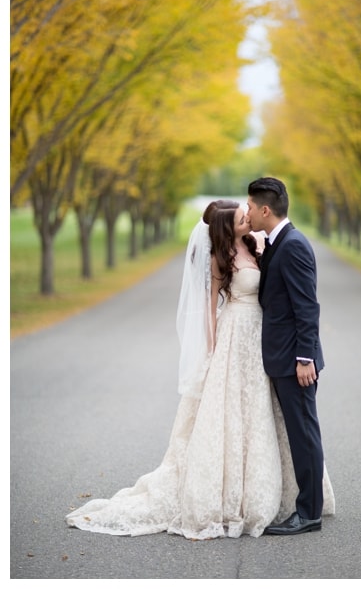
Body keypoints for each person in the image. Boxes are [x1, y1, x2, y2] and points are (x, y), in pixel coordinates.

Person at [67, 199, 334, 539]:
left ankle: (299, 497)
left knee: (269, 414)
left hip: (265, 341)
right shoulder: (219, 259)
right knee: (235, 415)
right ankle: (236, 496)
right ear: (229, 227)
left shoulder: (262, 243)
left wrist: (301, 351)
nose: (247, 216)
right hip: (235, 335)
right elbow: (209, 310)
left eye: (248, 211)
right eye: (241, 216)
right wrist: (211, 354)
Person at [246, 177, 329, 536]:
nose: (247, 212)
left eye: (249, 207)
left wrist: (305, 358)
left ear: (265, 210)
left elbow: (307, 307)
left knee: (304, 433)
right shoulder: (277, 242)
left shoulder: (293, 245)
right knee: (299, 432)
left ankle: (309, 512)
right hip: (282, 357)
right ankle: (307, 506)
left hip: (295, 361)